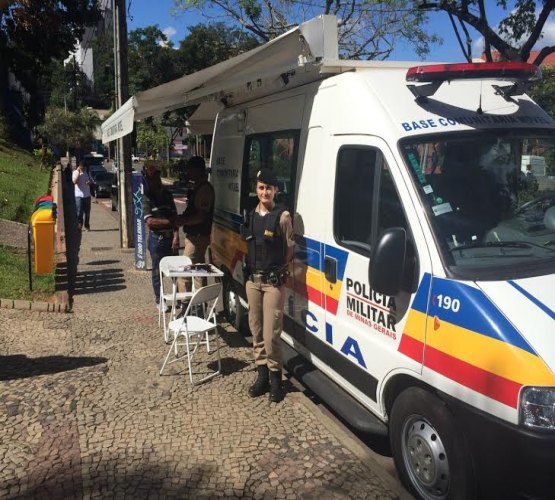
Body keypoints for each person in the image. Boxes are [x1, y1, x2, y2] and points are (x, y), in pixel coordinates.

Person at [244, 168, 294, 403]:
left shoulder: (282, 217)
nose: (265, 192)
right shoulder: (251, 214)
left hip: (273, 283)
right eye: (261, 187)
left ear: (276, 190)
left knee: (271, 333)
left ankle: (276, 380)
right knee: (256, 331)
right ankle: (261, 376)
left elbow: (290, 249)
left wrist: (282, 271)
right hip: (252, 282)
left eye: (269, 188)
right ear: (257, 188)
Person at [142, 162, 180, 311]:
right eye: (152, 179)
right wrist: (169, 222)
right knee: (157, 271)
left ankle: (179, 297)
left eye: (157, 177)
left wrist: (176, 236)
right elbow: (150, 221)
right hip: (156, 240)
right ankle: (160, 299)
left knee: (175, 270)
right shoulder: (147, 198)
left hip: (171, 238)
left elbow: (175, 217)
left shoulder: (167, 195)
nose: (155, 181)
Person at [175, 156, 215, 291]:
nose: (188, 173)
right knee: (198, 271)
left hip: (197, 237)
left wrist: (182, 220)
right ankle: (200, 305)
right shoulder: (197, 188)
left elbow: (201, 216)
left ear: (197, 170)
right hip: (195, 236)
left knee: (185, 273)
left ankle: (186, 303)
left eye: (190, 170)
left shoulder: (204, 189)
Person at [72, 161, 92, 231]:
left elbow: (91, 180)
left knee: (87, 213)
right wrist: (78, 172)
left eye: (84, 168)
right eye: (82, 168)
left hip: (87, 195)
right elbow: (75, 182)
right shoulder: (75, 172)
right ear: (79, 167)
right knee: (79, 212)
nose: (83, 170)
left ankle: (87, 225)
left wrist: (89, 182)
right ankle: (79, 225)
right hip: (78, 196)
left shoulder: (87, 172)